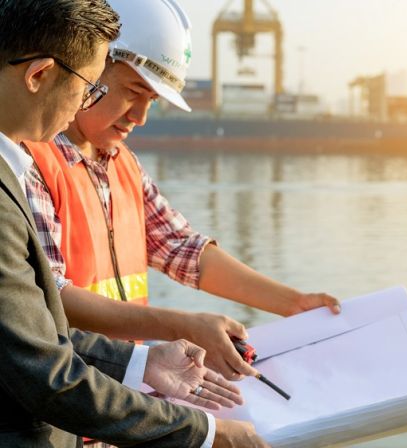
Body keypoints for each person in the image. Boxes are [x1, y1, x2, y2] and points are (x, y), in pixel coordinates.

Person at [23, 0, 341, 381]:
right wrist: (183, 327)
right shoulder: (30, 161)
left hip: (124, 396)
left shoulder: (122, 164)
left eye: (151, 101)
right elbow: (50, 295)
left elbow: (182, 248)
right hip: (65, 401)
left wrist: (293, 304)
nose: (140, 117)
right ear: (91, 64)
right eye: (133, 91)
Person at [0, 0, 268, 446]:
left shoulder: (105, 165)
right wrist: (204, 433)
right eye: (92, 86)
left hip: (112, 409)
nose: (138, 117)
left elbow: (29, 331)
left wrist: (141, 364)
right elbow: (43, 367)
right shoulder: (28, 167)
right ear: (39, 75)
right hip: (81, 417)